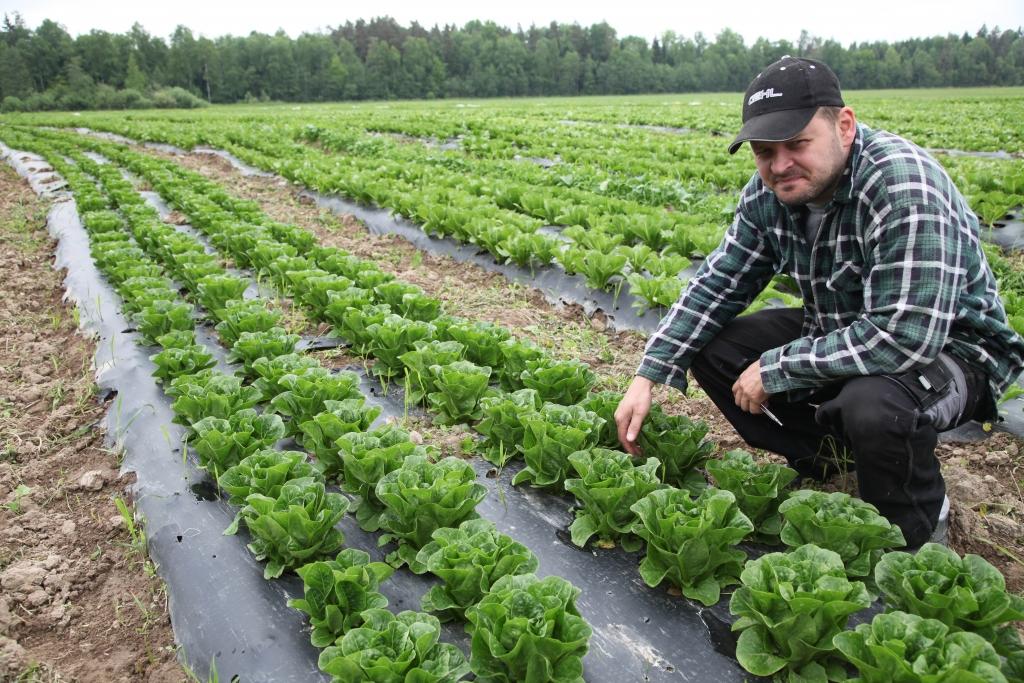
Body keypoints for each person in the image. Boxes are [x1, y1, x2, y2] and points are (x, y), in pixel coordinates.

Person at [614, 56, 1024, 548]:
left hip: (951, 351)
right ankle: (833, 465)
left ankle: (915, 534)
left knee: (873, 404)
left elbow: (904, 336)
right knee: (715, 348)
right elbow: (718, 283)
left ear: (844, 126)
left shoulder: (902, 186)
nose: (780, 164)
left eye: (797, 144)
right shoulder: (771, 194)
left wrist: (778, 368)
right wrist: (649, 372)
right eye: (765, 151)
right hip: (843, 329)